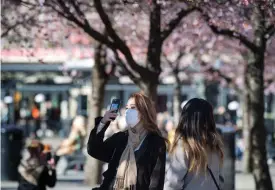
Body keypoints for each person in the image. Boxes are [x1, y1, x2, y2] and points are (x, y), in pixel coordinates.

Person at [87, 92, 167, 190]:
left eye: (133, 108)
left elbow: (156, 181)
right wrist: (103, 122)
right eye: (127, 108)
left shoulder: (155, 142)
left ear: (144, 111)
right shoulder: (121, 137)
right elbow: (94, 150)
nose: (128, 111)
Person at [164, 98, 224, 190]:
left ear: (185, 119)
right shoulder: (215, 145)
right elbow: (219, 179)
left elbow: (173, 183)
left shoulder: (184, 147)